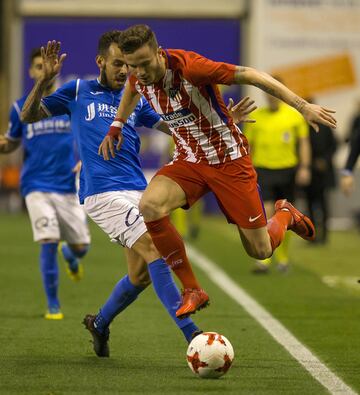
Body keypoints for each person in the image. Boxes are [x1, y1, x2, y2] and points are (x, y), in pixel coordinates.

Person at [20, 34, 255, 356]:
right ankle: (194, 338)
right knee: (156, 252)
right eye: (118, 64)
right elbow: (28, 117)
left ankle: (99, 323)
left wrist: (223, 124)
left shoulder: (138, 99)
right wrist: (43, 83)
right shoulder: (77, 91)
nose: (124, 70)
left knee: (140, 276)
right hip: (102, 193)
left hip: (137, 189)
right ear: (100, 62)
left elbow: (177, 128)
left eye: (128, 65)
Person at [99, 24, 337, 319]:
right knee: (150, 205)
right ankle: (192, 289)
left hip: (229, 161)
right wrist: (117, 124)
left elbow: (251, 74)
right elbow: (132, 90)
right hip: (190, 160)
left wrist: (302, 106)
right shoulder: (138, 75)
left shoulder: (191, 68)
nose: (140, 72)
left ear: (159, 53)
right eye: (134, 66)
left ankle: (286, 214)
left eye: (145, 64)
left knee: (260, 251)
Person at [0, 48, 90, 320]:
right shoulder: (20, 108)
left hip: (66, 185)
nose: (43, 70)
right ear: (31, 71)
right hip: (35, 184)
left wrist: (86, 160)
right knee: (48, 239)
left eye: (47, 65)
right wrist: (3, 144)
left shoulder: (69, 103)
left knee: (81, 247)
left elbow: (89, 135)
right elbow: (12, 142)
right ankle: (53, 304)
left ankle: (71, 254)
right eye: (39, 66)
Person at [244, 88, 311, 272]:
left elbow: (303, 143)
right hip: (263, 170)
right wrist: (246, 170)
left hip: (288, 170)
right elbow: (249, 146)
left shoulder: (294, 116)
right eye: (269, 93)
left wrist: (304, 167)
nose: (271, 97)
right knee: (265, 211)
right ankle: (265, 258)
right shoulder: (256, 116)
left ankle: (283, 258)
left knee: (285, 215)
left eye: (275, 93)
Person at [304, 98, 337, 244]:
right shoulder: (302, 126)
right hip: (309, 172)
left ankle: (324, 236)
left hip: (323, 172)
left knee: (323, 204)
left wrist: (325, 160)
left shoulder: (324, 125)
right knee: (309, 204)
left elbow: (334, 144)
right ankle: (312, 236)